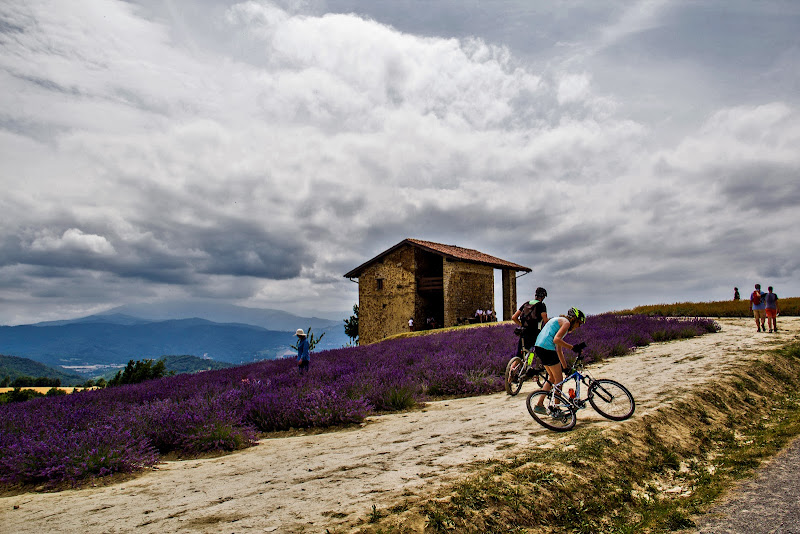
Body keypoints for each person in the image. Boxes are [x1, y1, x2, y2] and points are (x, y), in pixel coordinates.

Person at [531, 307, 586, 414]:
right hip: (547, 348)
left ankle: (539, 404)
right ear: (574, 319)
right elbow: (556, 340)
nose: (579, 326)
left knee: (552, 377)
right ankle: (556, 408)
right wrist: (572, 347)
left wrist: (565, 368)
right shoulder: (566, 323)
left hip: (539, 347)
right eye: (579, 323)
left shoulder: (559, 321)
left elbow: (559, 349)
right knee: (559, 379)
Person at [511, 287, 549, 363]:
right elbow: (545, 321)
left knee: (519, 354)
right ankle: (528, 365)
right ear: (543, 297)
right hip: (534, 332)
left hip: (523, 331)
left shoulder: (526, 304)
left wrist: (521, 324)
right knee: (532, 350)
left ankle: (512, 370)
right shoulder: (541, 305)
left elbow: (514, 317)